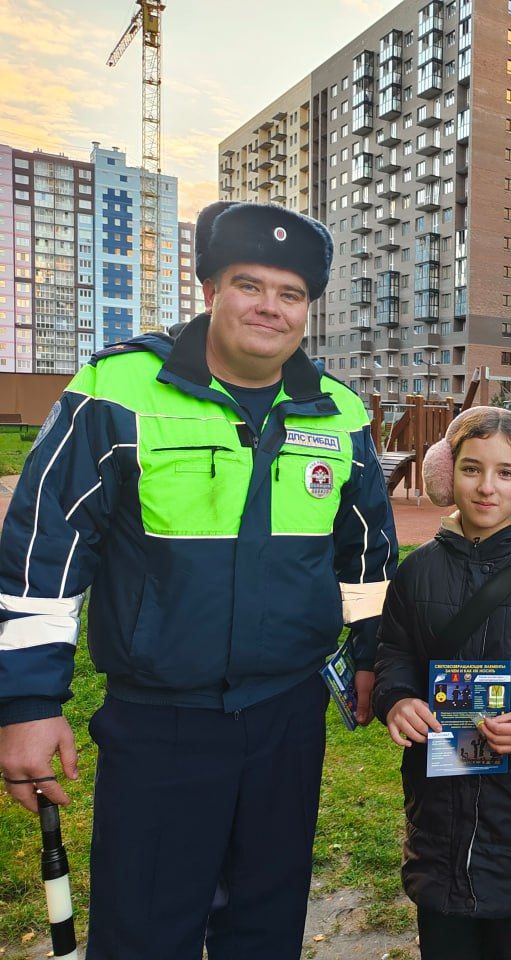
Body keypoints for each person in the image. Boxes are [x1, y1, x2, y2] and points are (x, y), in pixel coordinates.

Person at [0, 201, 397, 957]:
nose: (269, 307)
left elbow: (368, 555)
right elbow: (40, 554)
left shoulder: (338, 412)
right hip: (161, 724)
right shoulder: (117, 391)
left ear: (308, 309)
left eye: (291, 294)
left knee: (265, 926)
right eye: (250, 284)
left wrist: (371, 657)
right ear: (211, 288)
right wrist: (26, 700)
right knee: (147, 930)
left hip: (287, 719)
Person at [373, 406, 511, 960]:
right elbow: (395, 652)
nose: (487, 487)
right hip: (439, 807)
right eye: (471, 469)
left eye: (506, 472)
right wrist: (396, 700)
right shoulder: (417, 570)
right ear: (446, 473)